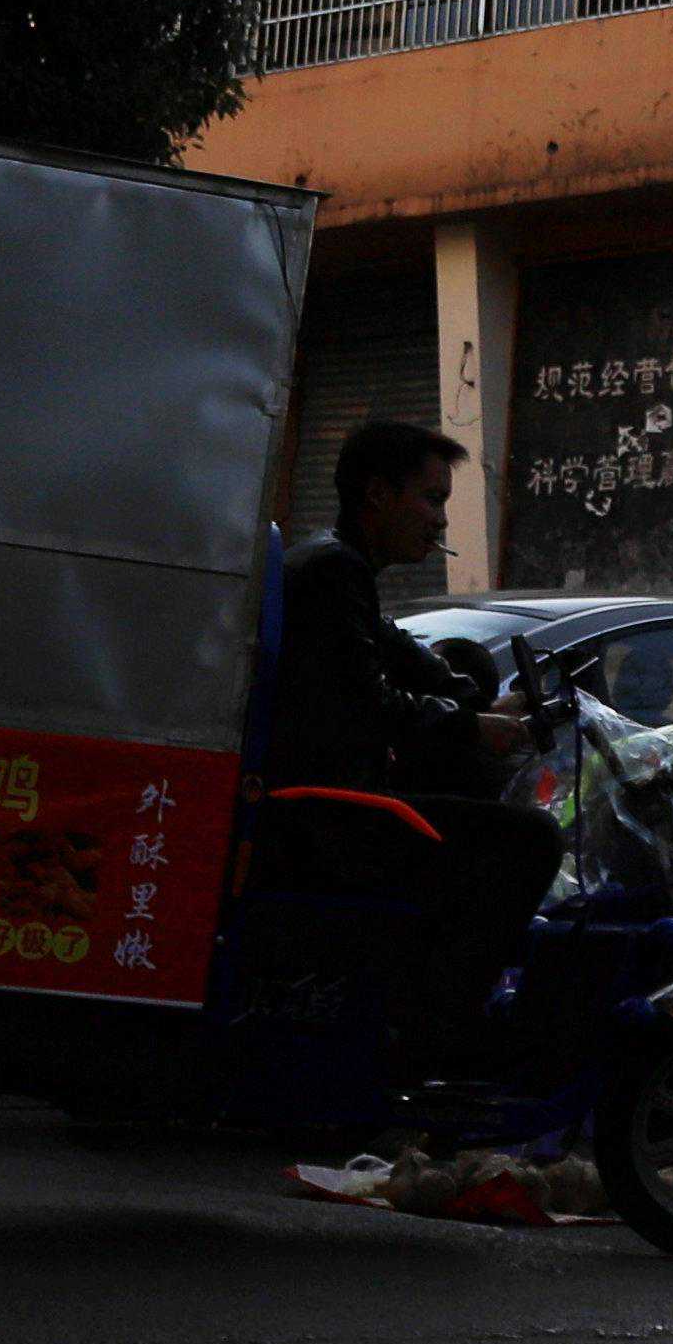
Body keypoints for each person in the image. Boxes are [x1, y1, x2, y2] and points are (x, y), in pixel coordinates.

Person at [257, 420, 558, 1056]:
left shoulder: (338, 567)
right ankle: (438, 1029)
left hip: (331, 806)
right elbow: (367, 701)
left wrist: (481, 702)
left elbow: (404, 656)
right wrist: (470, 725)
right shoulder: (334, 569)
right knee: (531, 841)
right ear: (377, 494)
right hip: (327, 818)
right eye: (432, 499)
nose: (441, 521)